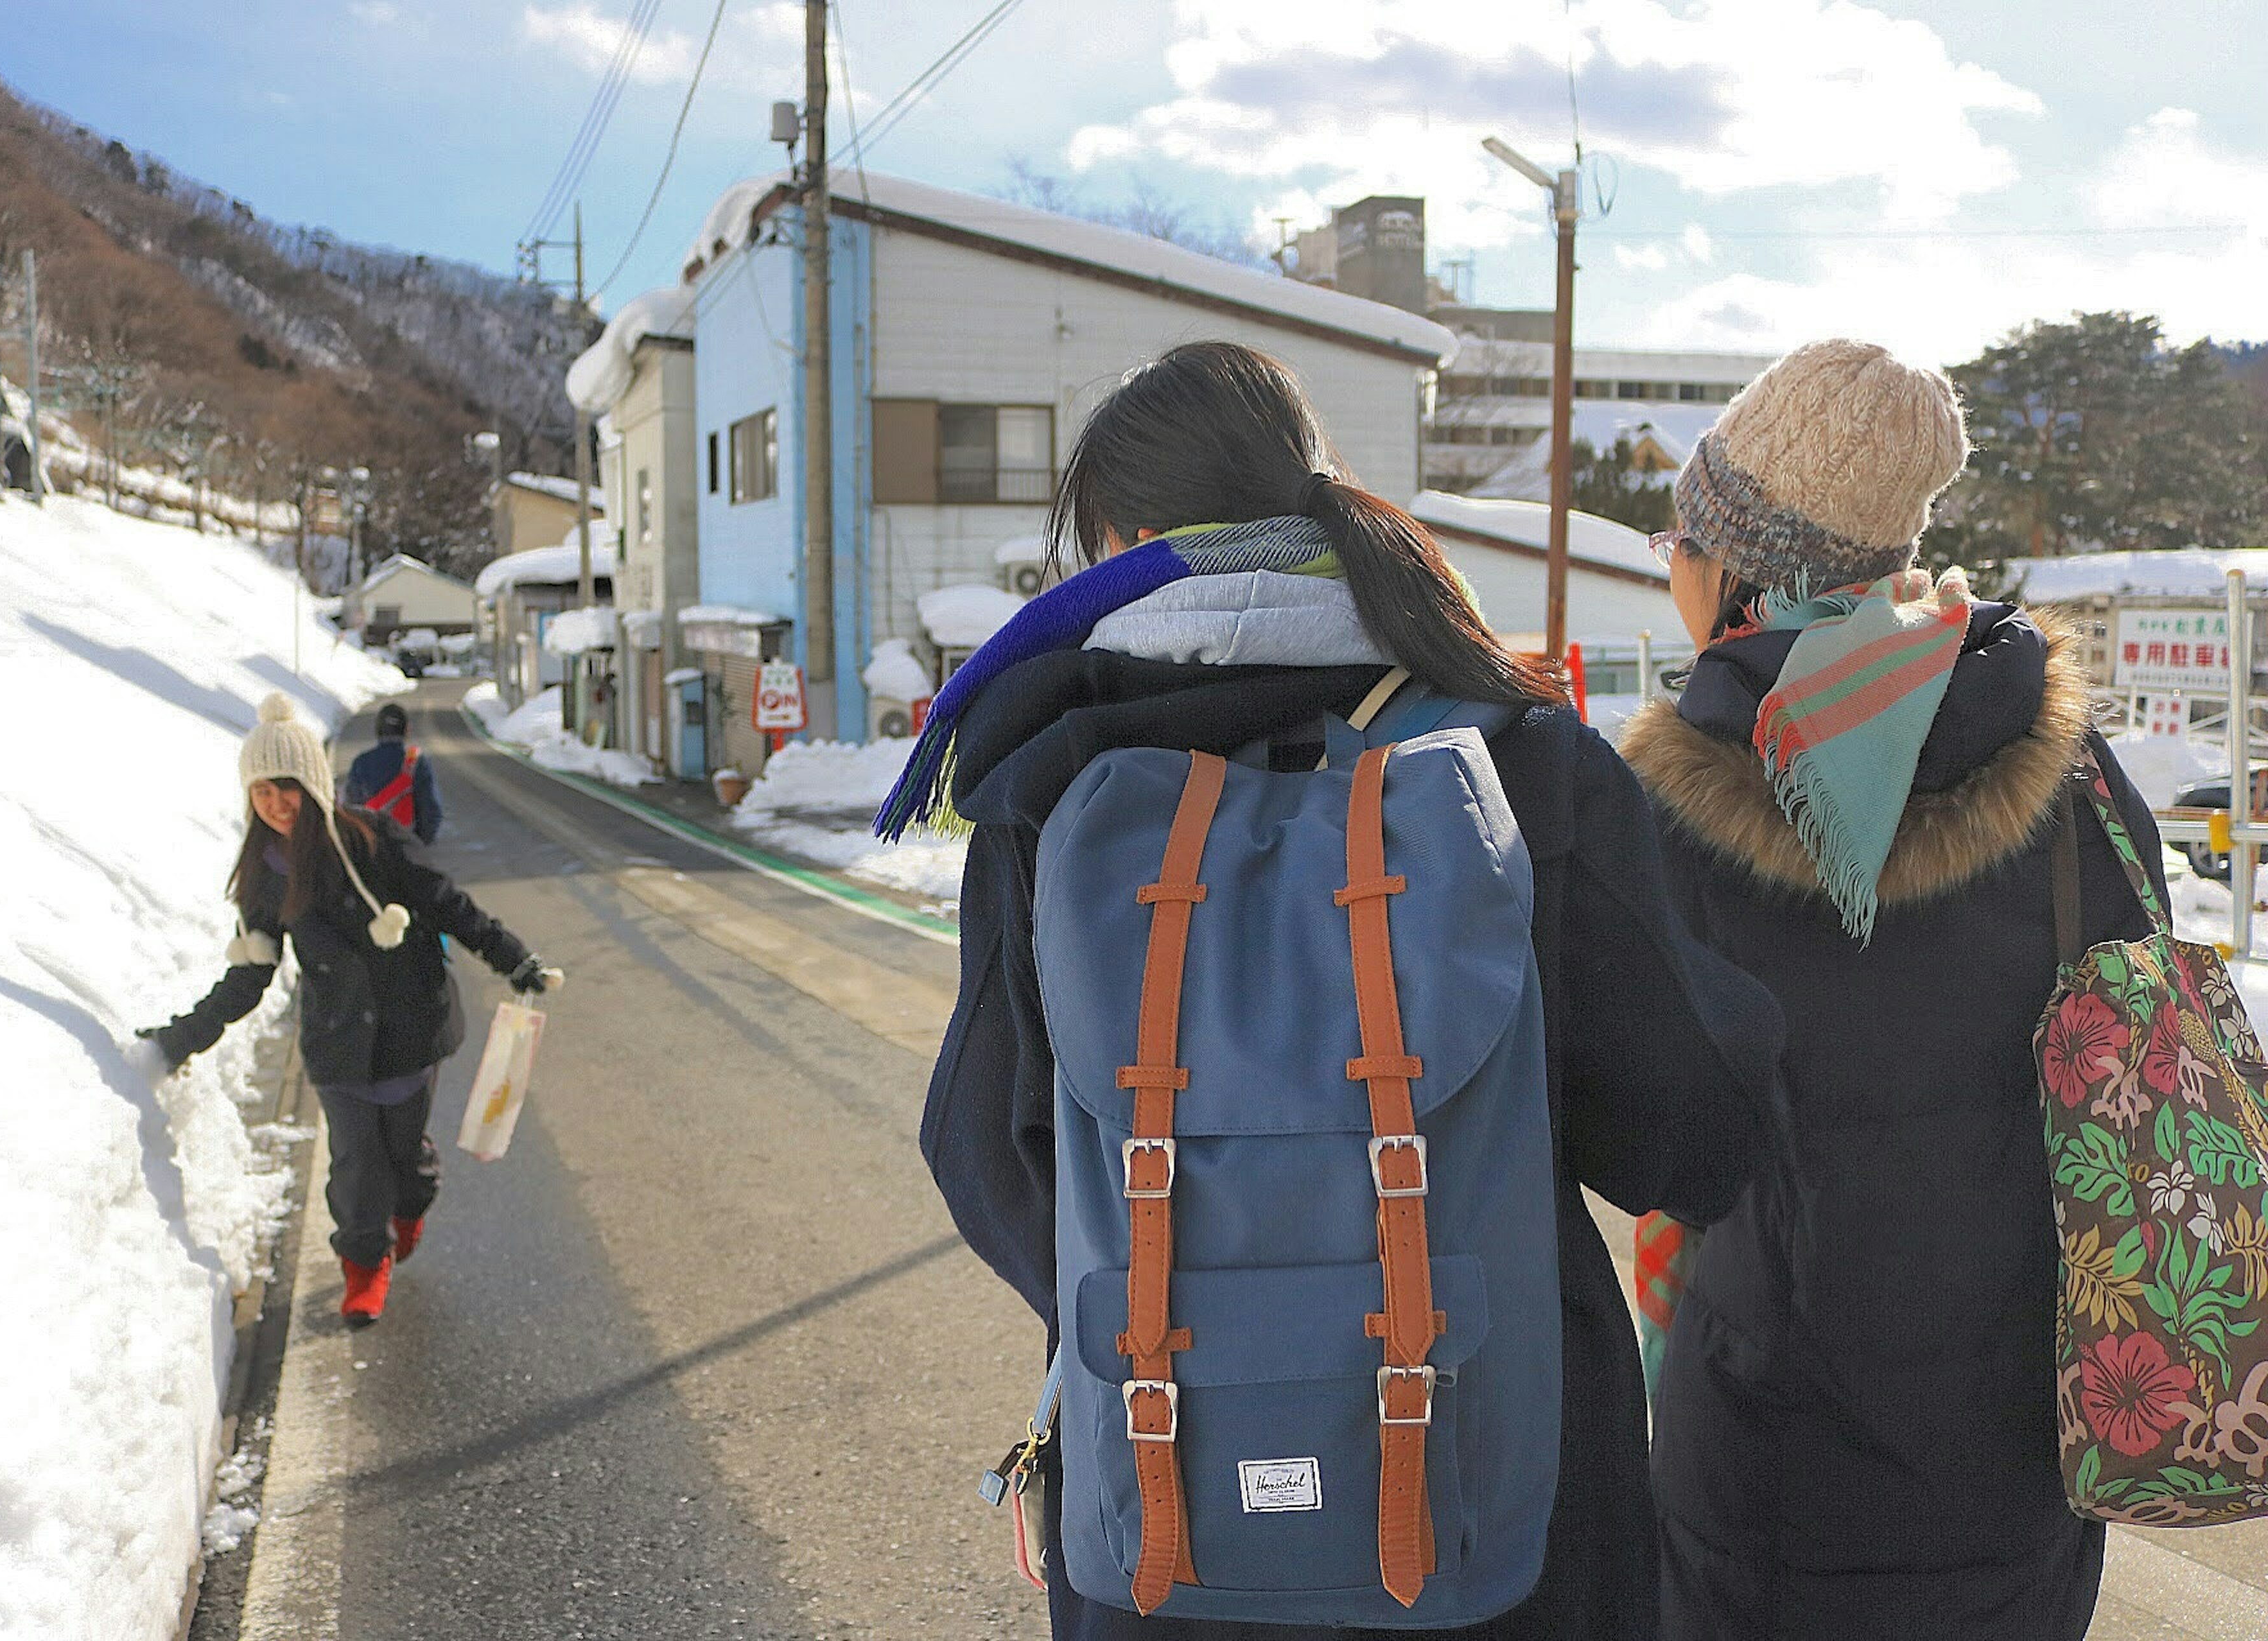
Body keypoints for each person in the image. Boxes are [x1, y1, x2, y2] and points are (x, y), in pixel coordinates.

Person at [894, 341, 1784, 1640]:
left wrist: (1202, 1276)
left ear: (1131, 540)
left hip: (1169, 1495)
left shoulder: (1049, 799)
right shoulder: (1521, 768)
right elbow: (1692, 1129)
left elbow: (982, 1148)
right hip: (1496, 1505)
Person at [1618, 340, 2166, 1641]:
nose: (1670, 569)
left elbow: (1629, 1119)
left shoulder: (1675, 801)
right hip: (2029, 1436)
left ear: (1737, 563)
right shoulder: (2069, 766)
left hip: (1760, 1456)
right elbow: (2149, 1025)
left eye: (1679, 539)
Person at [137, 694, 560, 1326]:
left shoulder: (375, 840)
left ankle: (411, 1206)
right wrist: (178, 1041)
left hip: (410, 1026)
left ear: (311, 782)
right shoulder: (263, 873)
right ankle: (364, 1266)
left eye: (287, 788)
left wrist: (513, 959)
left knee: (403, 1159)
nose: (277, 805)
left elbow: (447, 904)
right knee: (356, 1163)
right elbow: (253, 972)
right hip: (338, 1040)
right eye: (262, 793)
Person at [344, 700, 443, 844]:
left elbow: (351, 808)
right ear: (406, 730)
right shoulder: (415, 762)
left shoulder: (361, 762)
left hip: (370, 845)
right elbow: (431, 810)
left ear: (378, 730)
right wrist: (422, 842)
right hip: (406, 844)